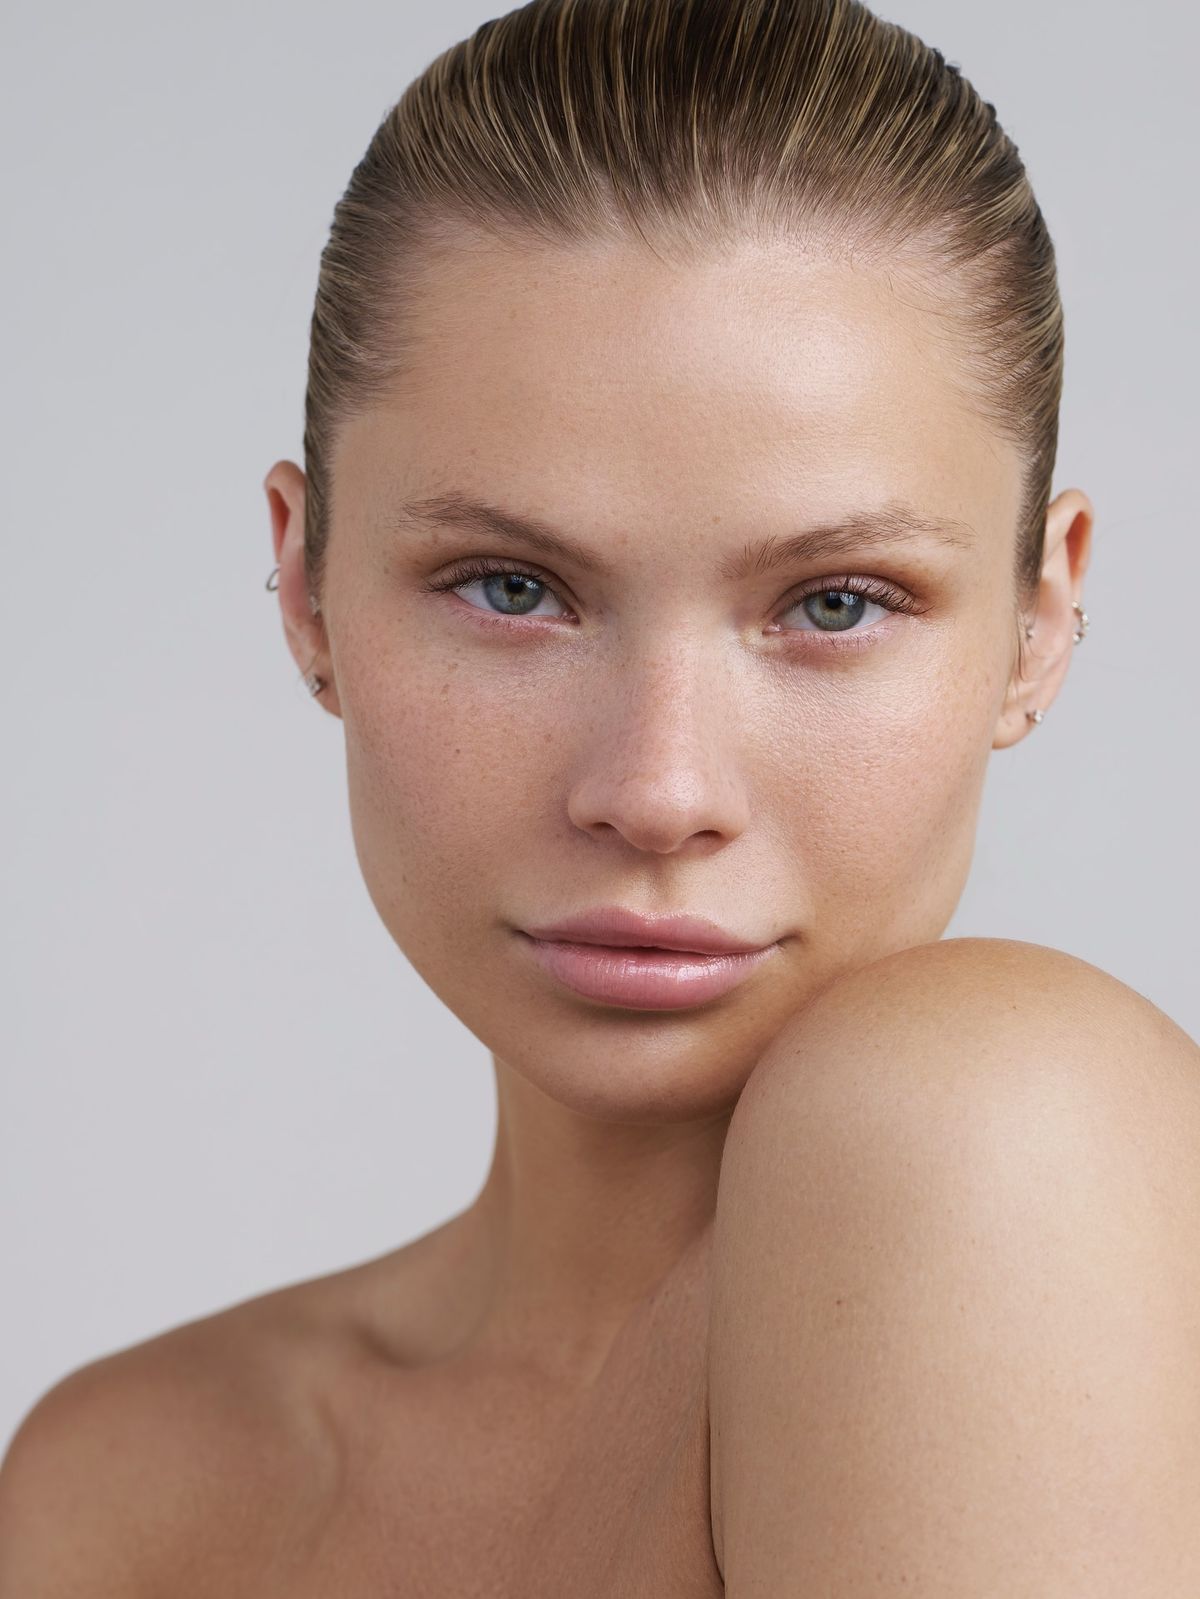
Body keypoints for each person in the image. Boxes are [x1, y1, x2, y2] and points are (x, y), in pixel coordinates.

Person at [3, 0, 1199, 1592]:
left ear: (1038, 621)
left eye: (836, 603)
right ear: (304, 585)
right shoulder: (118, 1477)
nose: (657, 791)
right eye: (510, 588)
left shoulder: (992, 1128)